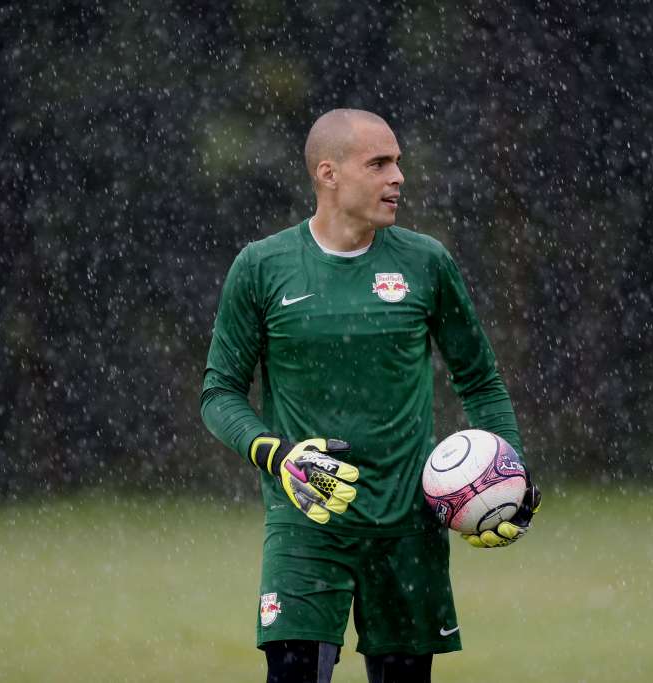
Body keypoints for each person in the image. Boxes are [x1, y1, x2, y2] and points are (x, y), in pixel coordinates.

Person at [200, 108, 541, 683]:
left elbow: (480, 382)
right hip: (307, 519)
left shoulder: (425, 262)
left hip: (409, 526)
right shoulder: (261, 267)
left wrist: (509, 473)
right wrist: (276, 454)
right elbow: (219, 393)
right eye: (379, 164)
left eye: (399, 164)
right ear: (328, 173)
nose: (398, 178)